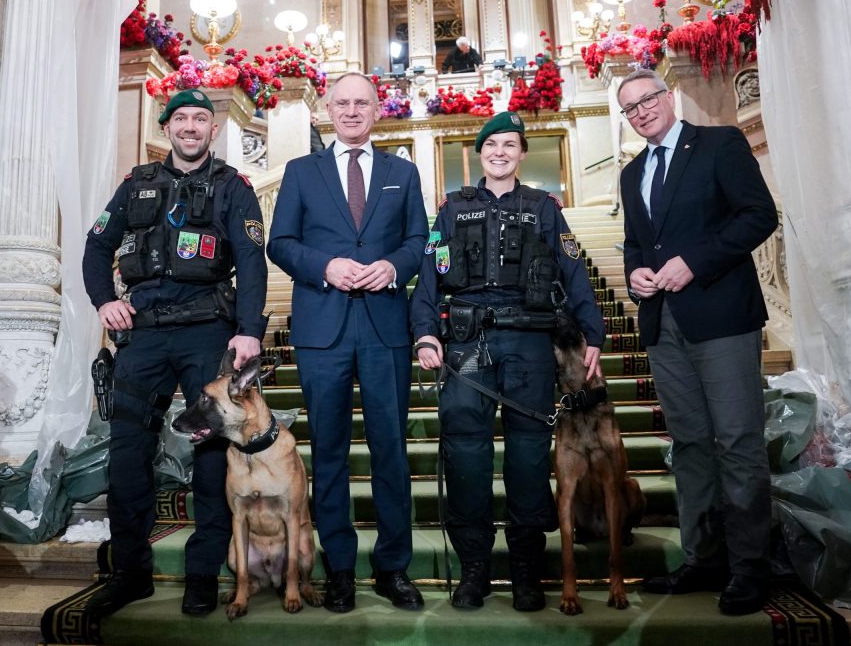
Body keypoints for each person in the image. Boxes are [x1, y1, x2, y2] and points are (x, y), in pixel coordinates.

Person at [82, 88, 268, 617]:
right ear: (167, 127)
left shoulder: (233, 186)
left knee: (210, 457)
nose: (190, 126)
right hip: (143, 334)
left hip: (207, 331)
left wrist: (249, 331)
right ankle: (130, 574)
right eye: (181, 118)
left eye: (200, 119)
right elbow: (97, 246)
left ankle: (202, 574)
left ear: (213, 129)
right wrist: (104, 301)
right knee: (127, 453)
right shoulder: (136, 184)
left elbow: (251, 260)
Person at [410, 110, 605, 612]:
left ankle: (525, 571)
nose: (500, 153)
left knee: (528, 457)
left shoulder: (544, 208)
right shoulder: (452, 208)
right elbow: (429, 276)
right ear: (480, 153)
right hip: (466, 345)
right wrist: (426, 334)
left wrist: (593, 334)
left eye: (510, 145)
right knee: (466, 455)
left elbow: (573, 270)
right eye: (492, 145)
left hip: (528, 345)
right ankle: (474, 569)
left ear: (522, 154)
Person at [616, 68, 778, 616]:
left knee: (738, 442)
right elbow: (636, 243)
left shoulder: (719, 143)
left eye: (648, 100)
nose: (641, 112)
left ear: (668, 97)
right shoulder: (632, 173)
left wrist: (695, 262)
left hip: (721, 316)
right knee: (688, 445)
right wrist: (635, 273)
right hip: (663, 325)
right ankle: (703, 558)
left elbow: (760, 215)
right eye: (630, 108)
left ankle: (749, 568)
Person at [267, 72, 429, 613]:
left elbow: (419, 240)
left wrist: (394, 266)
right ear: (327, 110)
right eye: (343, 103)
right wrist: (325, 267)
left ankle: (393, 568)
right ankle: (339, 569)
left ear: (378, 110)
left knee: (391, 451)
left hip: (386, 328)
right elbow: (280, 243)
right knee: (329, 453)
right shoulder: (301, 171)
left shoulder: (402, 172)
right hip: (323, 329)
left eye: (362, 103)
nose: (353, 111)